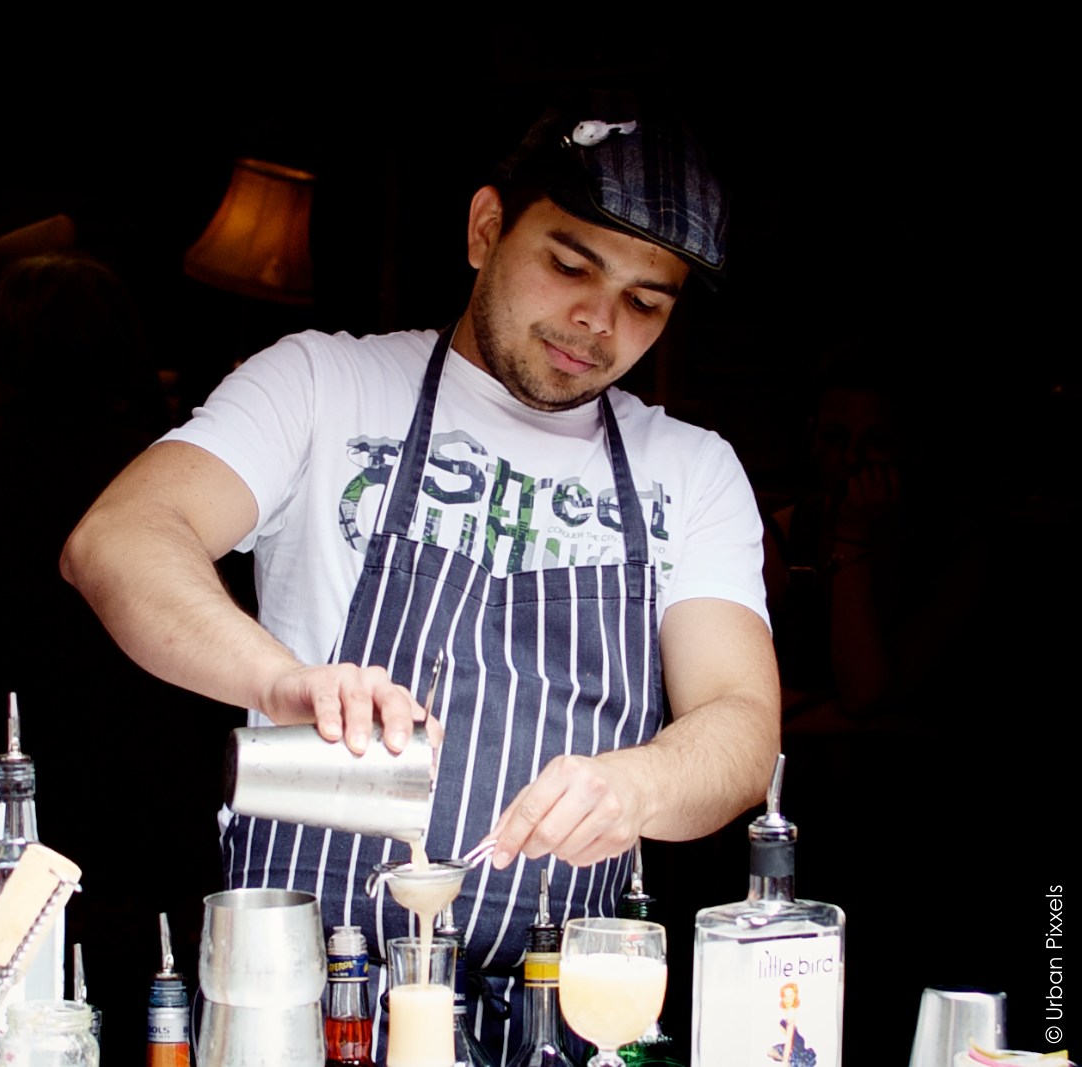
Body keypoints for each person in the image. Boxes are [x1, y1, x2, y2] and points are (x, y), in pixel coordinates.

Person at [61, 96, 780, 1058]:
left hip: (564, 1016)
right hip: (303, 1006)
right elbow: (120, 536)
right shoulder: (322, 385)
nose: (596, 320)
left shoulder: (691, 470)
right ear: (486, 228)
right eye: (571, 264)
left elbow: (741, 720)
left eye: (645, 301)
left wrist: (640, 786)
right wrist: (277, 679)